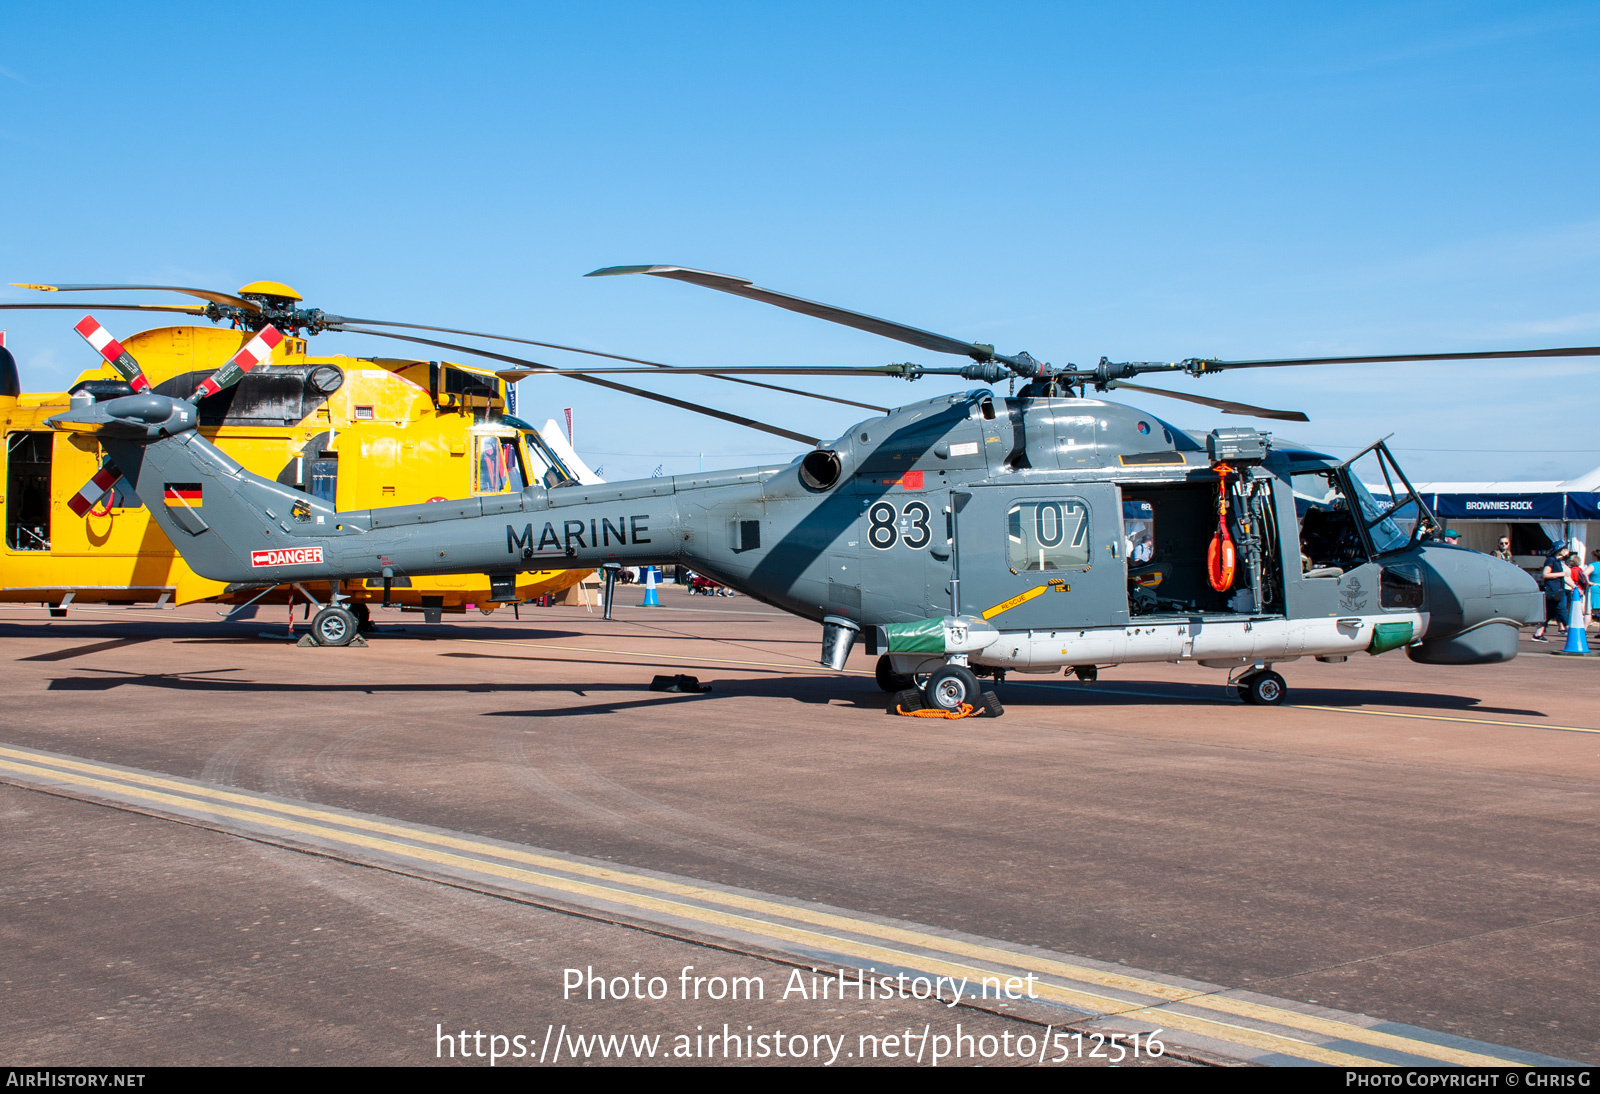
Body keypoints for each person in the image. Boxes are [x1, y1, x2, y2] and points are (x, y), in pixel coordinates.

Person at [1532, 544, 1574, 641]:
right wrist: (1561, 574)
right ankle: (1571, 633)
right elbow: (1545, 574)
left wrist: (1574, 586)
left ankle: (1537, 634)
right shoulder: (1551, 560)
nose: (1566, 551)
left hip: (1557, 590)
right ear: (1560, 550)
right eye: (1564, 549)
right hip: (1554, 591)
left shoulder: (1558, 561)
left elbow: (1562, 577)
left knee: (1548, 614)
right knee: (1562, 611)